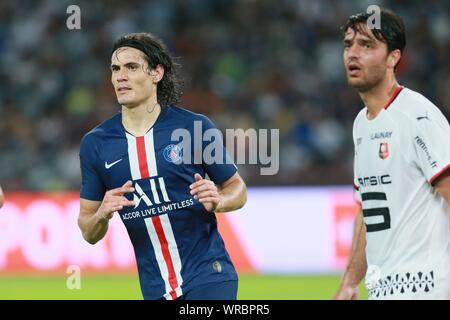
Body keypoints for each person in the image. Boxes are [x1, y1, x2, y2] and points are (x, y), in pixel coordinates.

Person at [78, 32, 247, 300]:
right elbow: (88, 230)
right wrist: (102, 214)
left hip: (210, 276)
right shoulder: (95, 144)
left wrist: (220, 200)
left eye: (131, 67)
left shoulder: (194, 127)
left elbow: (236, 187)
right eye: (115, 69)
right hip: (155, 289)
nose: (120, 76)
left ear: (156, 73)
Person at [335, 9, 450, 300]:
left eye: (367, 45)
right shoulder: (362, 124)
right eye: (349, 45)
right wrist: (350, 281)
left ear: (393, 58)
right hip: (384, 289)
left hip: (427, 288)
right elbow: (367, 207)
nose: (353, 54)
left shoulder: (417, 116)